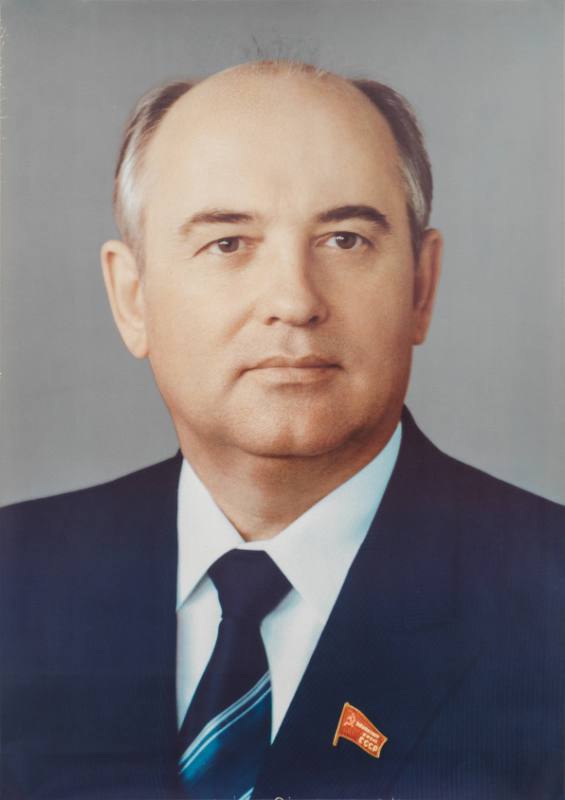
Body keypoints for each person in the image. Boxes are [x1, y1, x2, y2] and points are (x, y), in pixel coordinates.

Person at [1, 61, 564, 800]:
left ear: (421, 287)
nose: (294, 301)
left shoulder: (545, 601)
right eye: (228, 243)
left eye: (345, 240)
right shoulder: (15, 581)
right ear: (131, 298)